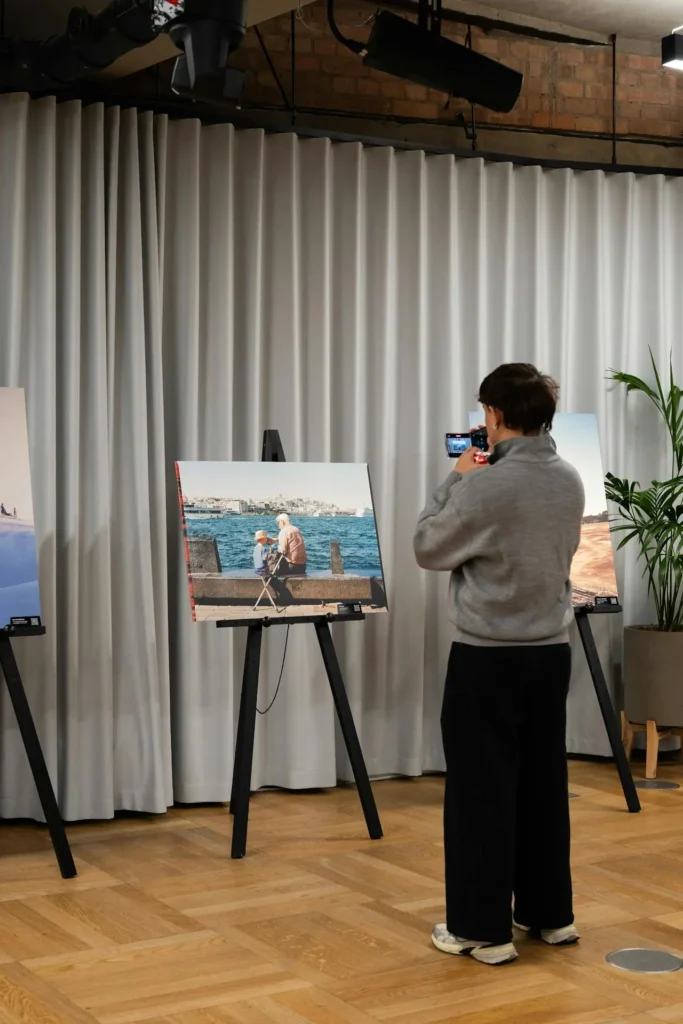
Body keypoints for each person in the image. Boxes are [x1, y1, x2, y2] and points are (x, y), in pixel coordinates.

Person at [413, 363, 585, 967]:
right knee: (543, 786)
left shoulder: (483, 486)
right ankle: (550, 916)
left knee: (479, 794)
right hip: (550, 655)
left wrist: (456, 477)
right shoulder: (570, 479)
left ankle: (481, 930)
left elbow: (428, 547)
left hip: (487, 659)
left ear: (492, 415)